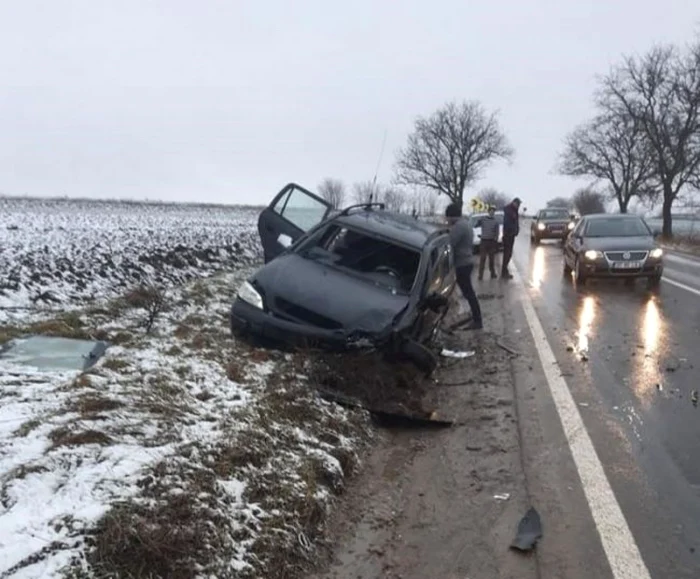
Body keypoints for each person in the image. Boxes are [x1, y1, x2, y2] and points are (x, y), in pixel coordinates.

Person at [445, 202, 482, 330]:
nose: (447, 220)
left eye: (448, 217)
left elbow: (450, 242)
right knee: (468, 291)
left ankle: (477, 320)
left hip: (462, 263)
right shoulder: (465, 224)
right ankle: (476, 317)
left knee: (468, 292)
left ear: (452, 216)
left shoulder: (458, 227)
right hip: (467, 262)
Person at [501, 197, 522, 279]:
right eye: (518, 204)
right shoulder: (509, 211)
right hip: (508, 235)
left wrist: (517, 230)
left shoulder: (514, 211)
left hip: (511, 235)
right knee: (507, 254)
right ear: (514, 203)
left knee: (508, 254)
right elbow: (508, 223)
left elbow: (515, 222)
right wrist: (512, 231)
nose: (519, 206)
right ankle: (504, 272)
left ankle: (504, 271)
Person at [478, 205, 499, 280]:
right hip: (484, 241)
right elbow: (477, 224)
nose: (492, 212)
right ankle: (480, 275)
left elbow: (497, 233)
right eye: (491, 211)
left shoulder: (496, 222)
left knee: (491, 259)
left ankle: (492, 273)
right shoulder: (483, 219)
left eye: (493, 211)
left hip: (491, 242)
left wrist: (496, 241)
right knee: (482, 258)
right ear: (488, 211)